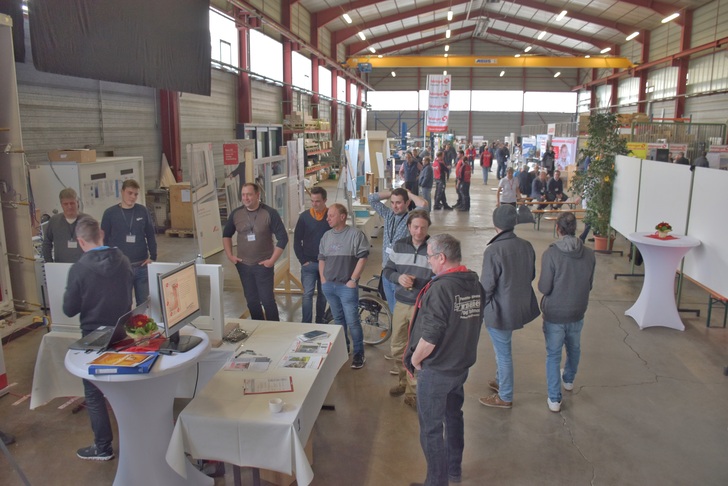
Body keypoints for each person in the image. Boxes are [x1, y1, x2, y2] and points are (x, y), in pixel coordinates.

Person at [404, 233, 485, 486]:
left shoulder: (441, 289)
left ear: (441, 257)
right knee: (453, 417)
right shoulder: (473, 283)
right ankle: (453, 471)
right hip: (459, 367)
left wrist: (416, 361)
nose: (428, 262)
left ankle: (436, 482)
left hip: (437, 370)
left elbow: (430, 337)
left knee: (430, 430)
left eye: (429, 257)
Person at [63, 215, 133, 460]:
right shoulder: (123, 260)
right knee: (124, 387)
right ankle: (135, 438)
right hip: (123, 335)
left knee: (93, 393)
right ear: (101, 234)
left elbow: (69, 309)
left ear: (81, 241)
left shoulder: (79, 269)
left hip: (93, 338)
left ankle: (103, 447)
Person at [479, 205, 540, 409]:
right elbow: (530, 275)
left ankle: (505, 396)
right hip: (519, 305)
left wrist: (480, 308)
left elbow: (487, 286)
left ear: (495, 223)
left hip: (499, 310)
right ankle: (499, 381)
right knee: (502, 347)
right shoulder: (527, 245)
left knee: (503, 352)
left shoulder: (494, 250)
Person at [539, 212, 596, 412]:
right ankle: (569, 379)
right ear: (575, 229)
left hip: (555, 313)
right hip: (578, 310)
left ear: (558, 229)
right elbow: (589, 285)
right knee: (574, 348)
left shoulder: (551, 254)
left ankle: (555, 399)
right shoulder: (589, 254)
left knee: (553, 355)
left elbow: (544, 288)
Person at [382, 210, 433, 409]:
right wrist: (399, 278)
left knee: (415, 349)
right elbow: (388, 270)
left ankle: (413, 391)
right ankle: (403, 381)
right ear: (409, 227)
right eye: (415, 227)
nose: (419, 231)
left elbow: (440, 275)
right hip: (402, 302)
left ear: (428, 228)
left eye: (423, 227)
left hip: (421, 306)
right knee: (397, 345)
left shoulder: (433, 248)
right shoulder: (399, 245)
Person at [223, 182, 289, 321]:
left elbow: (283, 238)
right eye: (243, 195)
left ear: (258, 195)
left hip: (263, 265)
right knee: (252, 301)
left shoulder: (270, 213)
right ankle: (258, 327)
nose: (246, 198)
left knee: (267, 301)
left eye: (249, 194)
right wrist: (230, 256)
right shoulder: (236, 214)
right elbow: (226, 235)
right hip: (244, 266)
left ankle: (274, 329)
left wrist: (272, 261)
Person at [319, 204, 369, 369]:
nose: (327, 218)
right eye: (328, 215)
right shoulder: (326, 236)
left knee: (352, 321)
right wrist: (323, 279)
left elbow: (362, 258)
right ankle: (343, 349)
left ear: (342, 216)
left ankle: (358, 354)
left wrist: (353, 280)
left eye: (331, 215)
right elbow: (322, 259)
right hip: (329, 286)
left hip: (346, 287)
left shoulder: (355, 235)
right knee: (338, 320)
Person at [368, 188, 428, 311]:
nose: (395, 206)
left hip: (402, 272)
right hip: (387, 271)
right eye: (393, 202)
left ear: (407, 203)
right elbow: (371, 199)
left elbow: (422, 204)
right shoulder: (388, 214)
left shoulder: (410, 218)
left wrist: (408, 193)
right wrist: (392, 193)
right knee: (392, 310)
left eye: (399, 203)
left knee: (402, 310)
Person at [100, 179, 156, 305]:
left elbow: (150, 234)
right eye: (129, 193)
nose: (133, 197)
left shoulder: (142, 211)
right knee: (123, 303)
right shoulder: (110, 213)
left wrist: (153, 256)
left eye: (135, 194)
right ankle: (123, 325)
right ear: (122, 192)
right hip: (121, 267)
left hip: (141, 265)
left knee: (144, 303)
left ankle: (141, 324)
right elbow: (103, 239)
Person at [293, 186, 329, 324]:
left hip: (326, 265)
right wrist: (302, 260)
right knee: (307, 294)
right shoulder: (304, 217)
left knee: (323, 295)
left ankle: (320, 321)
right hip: (308, 264)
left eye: (318, 201)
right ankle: (306, 323)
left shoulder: (330, 217)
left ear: (325, 200)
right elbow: (296, 240)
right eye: (312, 201)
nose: (314, 204)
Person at [42, 188, 84, 263]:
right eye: (66, 204)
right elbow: (46, 243)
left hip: (82, 268)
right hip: (60, 267)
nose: (69, 207)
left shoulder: (87, 221)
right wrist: (50, 263)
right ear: (61, 205)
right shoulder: (54, 221)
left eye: (72, 203)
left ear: (77, 203)